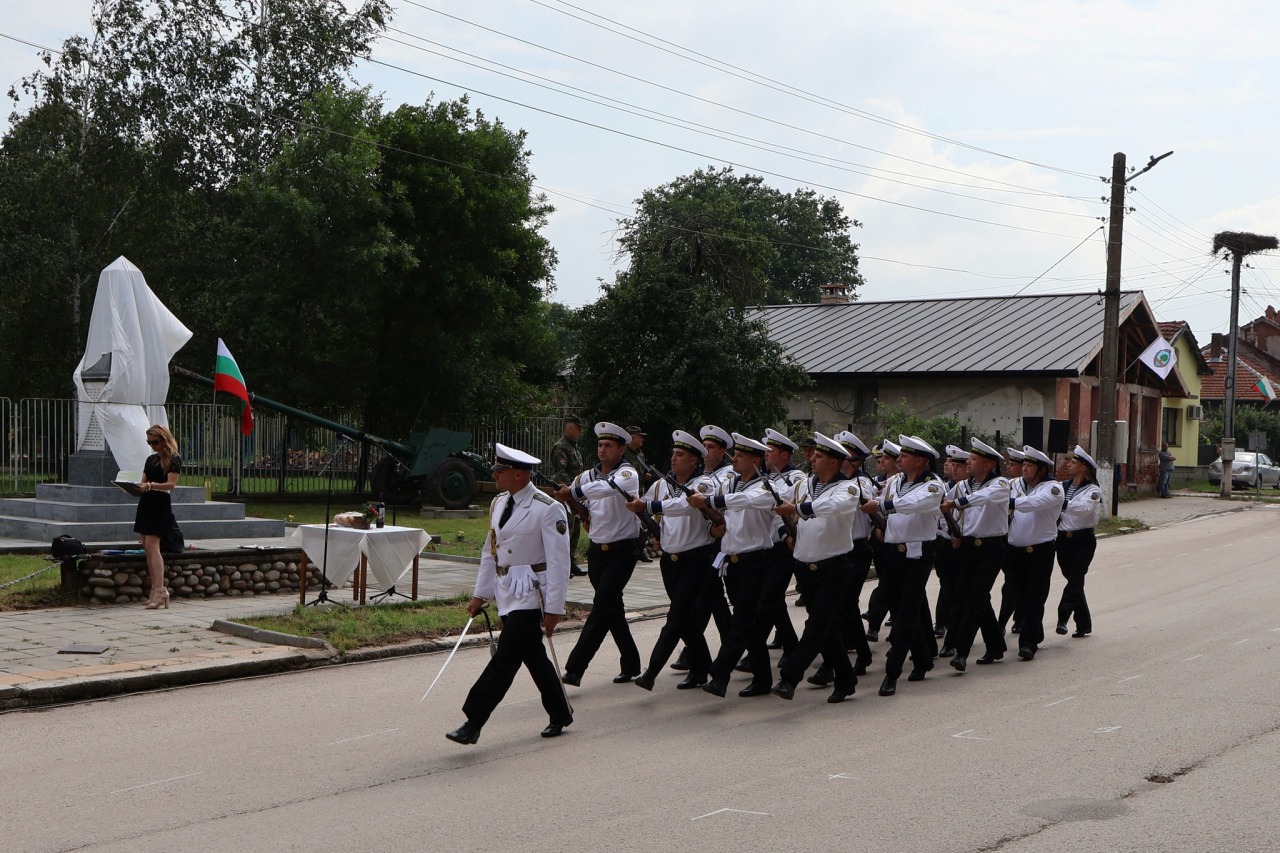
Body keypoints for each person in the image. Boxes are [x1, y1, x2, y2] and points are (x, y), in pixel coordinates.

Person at [445, 443, 574, 745]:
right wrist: (481, 593)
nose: (495, 475)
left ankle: (473, 721)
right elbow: (490, 553)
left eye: (500, 471)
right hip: (506, 592)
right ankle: (560, 711)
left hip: (532, 593)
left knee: (505, 659)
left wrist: (554, 608)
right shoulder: (499, 503)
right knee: (533, 655)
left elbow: (559, 561)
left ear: (518, 473)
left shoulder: (547, 507)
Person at [771, 432, 860, 703]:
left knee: (817, 624)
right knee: (826, 627)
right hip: (804, 564)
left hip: (834, 567)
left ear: (833, 462)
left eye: (818, 456)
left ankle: (790, 677)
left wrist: (797, 510)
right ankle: (846, 678)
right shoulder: (803, 484)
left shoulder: (849, 488)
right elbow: (777, 503)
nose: (811, 459)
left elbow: (832, 506)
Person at [687, 433, 778, 698]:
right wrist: (713, 525)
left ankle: (720, 674)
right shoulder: (730, 484)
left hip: (756, 561)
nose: (734, 459)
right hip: (733, 562)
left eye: (740, 455)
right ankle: (762, 680)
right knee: (748, 624)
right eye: (734, 455)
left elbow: (744, 502)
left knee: (740, 621)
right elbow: (719, 514)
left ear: (755, 459)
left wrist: (710, 502)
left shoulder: (766, 487)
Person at [627, 430, 720, 691]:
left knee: (676, 616)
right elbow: (641, 505)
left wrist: (649, 508)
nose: (673, 458)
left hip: (696, 559)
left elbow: (685, 505)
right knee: (687, 619)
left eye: (680, 455)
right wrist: (648, 526)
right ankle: (702, 669)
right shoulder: (661, 485)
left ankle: (652, 671)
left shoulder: (704, 484)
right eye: (673, 454)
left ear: (694, 460)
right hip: (670, 560)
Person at [558, 423, 643, 685]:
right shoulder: (585, 476)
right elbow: (581, 506)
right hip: (597, 551)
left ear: (621, 449)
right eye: (600, 445)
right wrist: (572, 501)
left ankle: (575, 668)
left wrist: (572, 492)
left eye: (609, 446)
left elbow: (606, 489)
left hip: (622, 551)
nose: (603, 450)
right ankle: (631, 663)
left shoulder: (628, 473)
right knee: (612, 608)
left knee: (602, 606)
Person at [859, 435, 943, 696]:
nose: (898, 460)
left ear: (920, 460)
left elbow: (916, 504)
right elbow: (878, 501)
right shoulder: (895, 481)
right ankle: (923, 659)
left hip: (918, 554)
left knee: (906, 613)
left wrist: (884, 505)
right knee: (901, 606)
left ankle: (892, 673)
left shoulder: (934, 485)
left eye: (904, 456)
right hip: (892, 551)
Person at [940, 438, 1011, 670]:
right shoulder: (962, 486)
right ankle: (996, 645)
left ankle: (961, 652)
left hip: (992, 547)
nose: (968, 462)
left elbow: (984, 498)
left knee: (975, 599)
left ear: (988, 465)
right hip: (968, 546)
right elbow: (945, 508)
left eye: (973, 459)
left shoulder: (1000, 484)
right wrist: (951, 531)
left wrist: (957, 503)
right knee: (966, 597)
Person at [1007, 446, 1063, 661]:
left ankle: (1028, 644)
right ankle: (1035, 632)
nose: (1024, 469)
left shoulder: (1053, 488)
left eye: (1030, 466)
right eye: (1024, 465)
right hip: (1015, 551)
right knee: (1021, 597)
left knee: (1034, 597)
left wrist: (1010, 502)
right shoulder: (1015, 485)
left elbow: (1034, 504)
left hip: (1040, 551)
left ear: (1041, 470)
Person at [1056, 445, 1102, 638]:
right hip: (1063, 540)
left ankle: (1063, 617)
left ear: (1083, 467)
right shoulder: (1062, 487)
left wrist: (1060, 503)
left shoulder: (1093, 490)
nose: (1069, 464)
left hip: (1083, 540)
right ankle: (1083, 623)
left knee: (1075, 579)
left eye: (1074, 462)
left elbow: (1083, 508)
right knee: (1074, 581)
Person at [134, 424, 181, 610]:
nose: (152, 445)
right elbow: (143, 482)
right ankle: (154, 590)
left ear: (164, 439)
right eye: (149, 442)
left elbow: (171, 484)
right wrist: (135, 486)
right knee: (146, 546)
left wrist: (152, 486)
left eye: (155, 441)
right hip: (146, 502)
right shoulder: (150, 459)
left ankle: (161, 591)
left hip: (160, 504)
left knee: (153, 547)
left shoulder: (173, 459)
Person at [549, 415, 587, 576]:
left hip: (575, 495)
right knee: (566, 530)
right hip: (566, 494)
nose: (580, 432)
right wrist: (571, 492)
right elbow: (561, 473)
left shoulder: (573, 447)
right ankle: (562, 565)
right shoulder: (561, 447)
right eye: (578, 428)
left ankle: (570, 562)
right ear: (570, 428)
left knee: (575, 529)